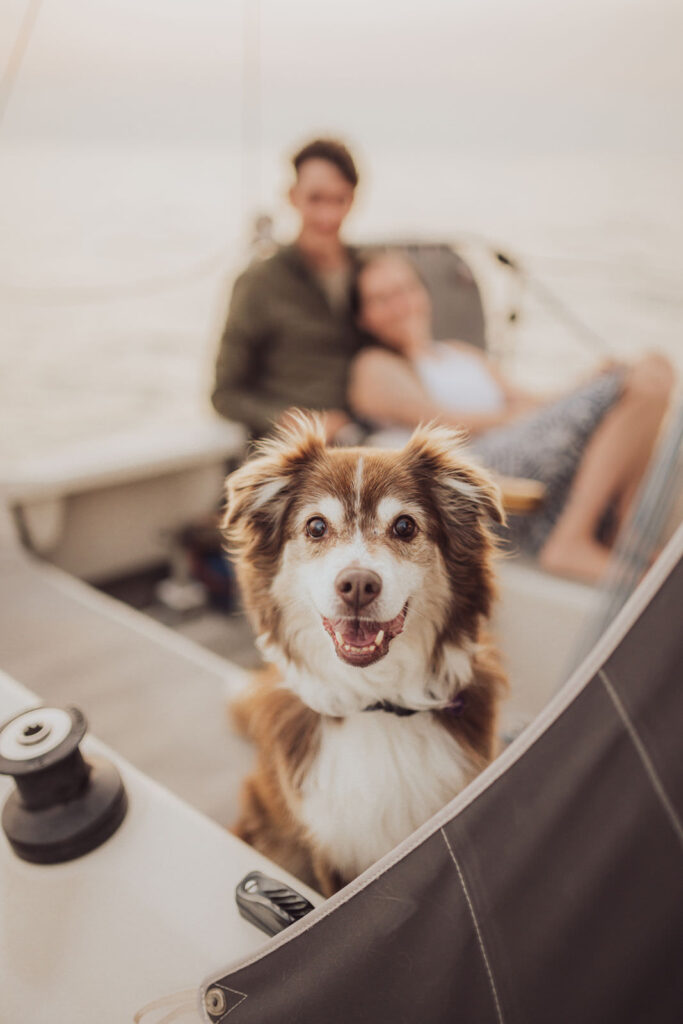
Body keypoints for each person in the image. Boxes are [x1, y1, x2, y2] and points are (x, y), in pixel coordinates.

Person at [348, 251, 675, 583]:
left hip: (517, 447)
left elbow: (532, 401)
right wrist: (518, 414)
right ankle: (572, 540)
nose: (400, 304)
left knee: (651, 373)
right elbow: (443, 425)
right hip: (478, 470)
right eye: (382, 299)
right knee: (644, 376)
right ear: (363, 318)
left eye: (406, 290)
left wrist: (586, 383)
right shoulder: (373, 365)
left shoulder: (460, 353)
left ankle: (625, 532)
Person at [211, 138, 368, 441]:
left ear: (353, 200)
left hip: (371, 444)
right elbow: (225, 395)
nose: (328, 216)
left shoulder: (370, 272)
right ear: (292, 196)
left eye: (340, 200)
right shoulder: (259, 281)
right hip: (297, 455)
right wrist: (293, 421)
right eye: (316, 199)